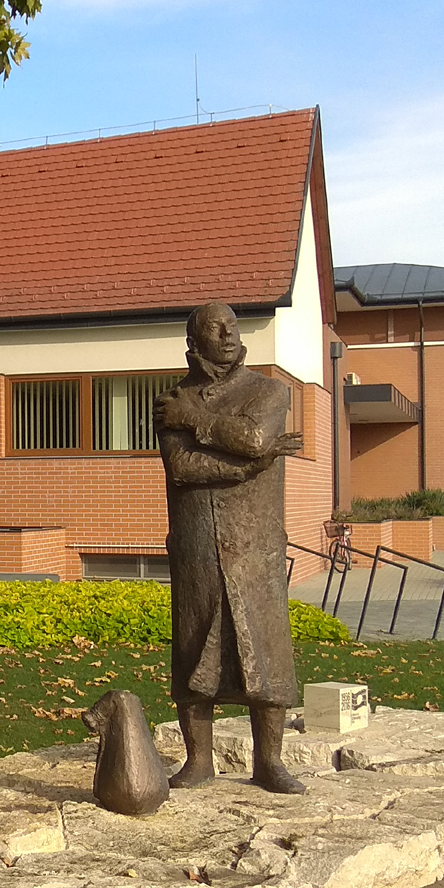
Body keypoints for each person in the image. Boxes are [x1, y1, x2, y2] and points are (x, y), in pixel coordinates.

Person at [156, 303, 306, 794]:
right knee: (193, 647)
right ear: (194, 342)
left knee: (266, 648)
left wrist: (197, 421)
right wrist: (250, 466)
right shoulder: (172, 400)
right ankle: (198, 760)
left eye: (232, 326)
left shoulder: (268, 391)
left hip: (255, 546)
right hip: (197, 545)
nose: (226, 335)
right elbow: (183, 468)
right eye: (214, 328)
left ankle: (270, 762)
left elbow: (256, 436)